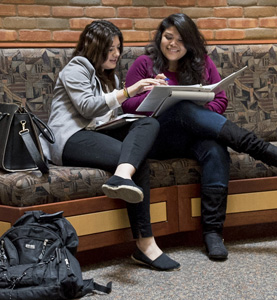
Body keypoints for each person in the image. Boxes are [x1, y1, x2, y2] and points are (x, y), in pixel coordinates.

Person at [123, 13, 277, 261]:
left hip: (192, 136)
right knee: (180, 108)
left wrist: (198, 115)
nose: (172, 44)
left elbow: (221, 99)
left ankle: (213, 233)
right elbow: (128, 106)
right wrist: (154, 92)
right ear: (160, 37)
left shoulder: (202, 63)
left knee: (215, 148)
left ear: (190, 43)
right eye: (168, 37)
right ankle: (259, 148)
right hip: (157, 138)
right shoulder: (144, 64)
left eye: (180, 40)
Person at [45, 20, 178, 271]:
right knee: (136, 160)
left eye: (118, 48)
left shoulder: (109, 76)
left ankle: (122, 176)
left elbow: (108, 116)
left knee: (148, 125)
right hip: (69, 139)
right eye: (111, 49)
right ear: (94, 47)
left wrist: (151, 92)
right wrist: (130, 90)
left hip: (95, 133)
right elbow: (87, 107)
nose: (117, 54)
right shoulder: (76, 67)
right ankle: (146, 245)